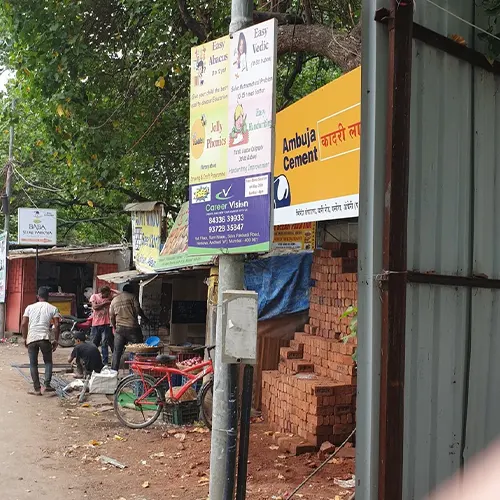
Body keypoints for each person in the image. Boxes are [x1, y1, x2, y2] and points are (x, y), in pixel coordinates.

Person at [21, 287, 61, 395]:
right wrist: (56, 340)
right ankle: (47, 384)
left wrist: (25, 337)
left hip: (32, 338)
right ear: (48, 297)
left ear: (38, 296)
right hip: (44, 338)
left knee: (33, 364)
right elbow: (57, 325)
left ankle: (37, 389)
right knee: (48, 362)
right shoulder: (53, 308)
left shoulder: (29, 307)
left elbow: (24, 324)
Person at [110, 284, 148, 371]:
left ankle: (113, 373)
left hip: (119, 329)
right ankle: (139, 371)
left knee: (117, 352)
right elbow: (138, 309)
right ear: (131, 290)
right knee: (139, 350)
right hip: (132, 327)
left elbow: (112, 316)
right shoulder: (132, 296)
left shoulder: (114, 300)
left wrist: (115, 327)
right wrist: (145, 318)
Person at [89, 285, 115, 366]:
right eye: (107, 293)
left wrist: (111, 289)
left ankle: (105, 362)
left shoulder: (109, 298)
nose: (107, 295)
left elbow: (120, 294)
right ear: (102, 292)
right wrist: (105, 303)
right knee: (94, 344)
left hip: (106, 324)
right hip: (96, 324)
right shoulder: (94, 296)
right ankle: (92, 360)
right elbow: (95, 307)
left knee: (104, 344)